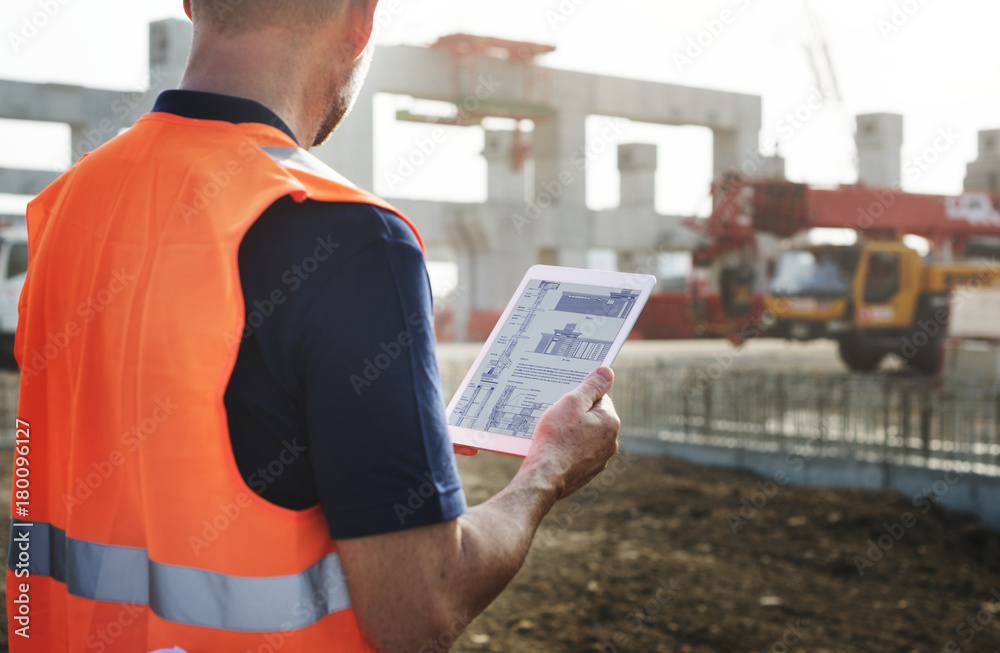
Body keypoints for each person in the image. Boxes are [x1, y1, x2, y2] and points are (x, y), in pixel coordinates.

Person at [6, 1, 621, 651]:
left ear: (189, 3)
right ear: (361, 19)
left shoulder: (68, 203)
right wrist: (547, 468)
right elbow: (419, 609)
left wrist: (360, 429)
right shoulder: (347, 236)